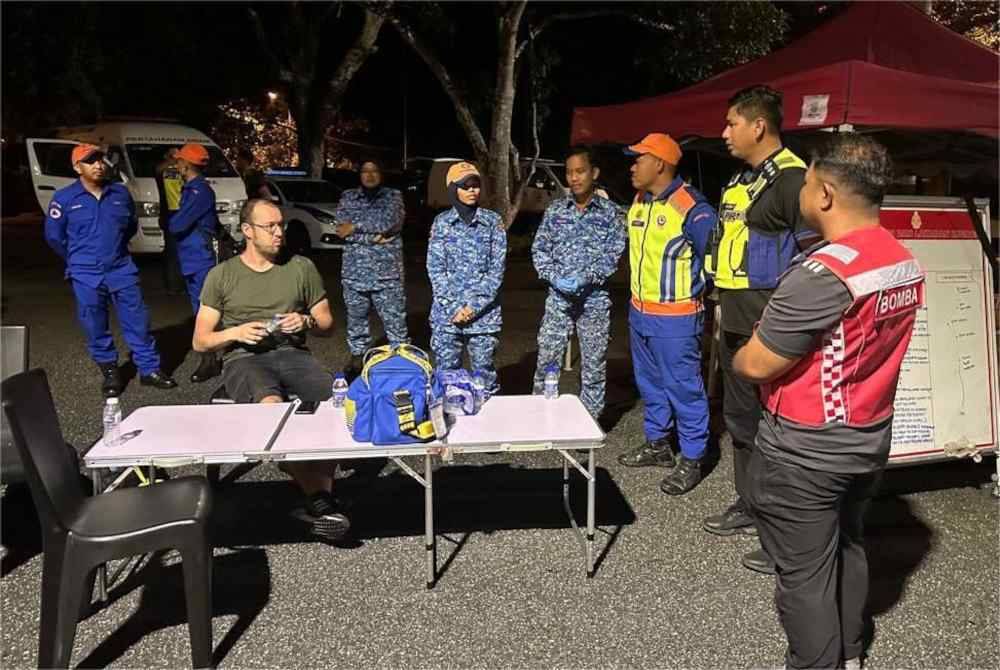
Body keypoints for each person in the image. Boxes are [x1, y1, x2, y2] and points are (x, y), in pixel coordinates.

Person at [734, 134, 921, 670]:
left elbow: (755, 363)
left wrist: (753, 341)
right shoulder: (900, 257)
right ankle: (851, 652)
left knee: (803, 577)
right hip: (866, 438)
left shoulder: (823, 273)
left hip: (804, 450)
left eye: (808, 180)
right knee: (848, 545)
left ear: (826, 193)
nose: (802, 189)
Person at [192, 198, 350, 541]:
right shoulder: (222, 275)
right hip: (243, 359)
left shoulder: (300, 267)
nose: (279, 233)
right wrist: (236, 332)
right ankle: (321, 500)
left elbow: (327, 324)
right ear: (247, 231)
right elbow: (201, 341)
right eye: (270, 227)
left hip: (294, 355)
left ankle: (316, 498)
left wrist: (305, 319)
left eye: (281, 225)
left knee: (336, 408)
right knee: (272, 409)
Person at [702, 85, 809, 573]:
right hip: (735, 317)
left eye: (731, 124)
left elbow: (812, 260)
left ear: (758, 125)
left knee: (778, 429)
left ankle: (784, 534)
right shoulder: (741, 180)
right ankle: (751, 505)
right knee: (742, 422)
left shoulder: (793, 181)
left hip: (770, 324)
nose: (724, 133)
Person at [615, 134, 717, 495]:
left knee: (684, 389)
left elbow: (713, 261)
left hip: (676, 318)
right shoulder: (639, 201)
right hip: (640, 313)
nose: (632, 165)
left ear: (659, 163)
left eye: (638, 158)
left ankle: (692, 457)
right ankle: (657, 444)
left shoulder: (692, 207)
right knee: (651, 384)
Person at [43, 143, 177, 396]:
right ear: (77, 167)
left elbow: (130, 226)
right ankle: (111, 372)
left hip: (120, 268)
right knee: (95, 323)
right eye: (90, 161)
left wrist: (115, 250)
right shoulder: (64, 199)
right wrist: (76, 259)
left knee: (138, 320)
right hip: (85, 272)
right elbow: (54, 237)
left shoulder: (120, 194)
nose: (98, 165)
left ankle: (149, 369)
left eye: (100, 159)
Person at [531, 146, 626, 422]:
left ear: (594, 173)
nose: (573, 178)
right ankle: (541, 416)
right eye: (569, 172)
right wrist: (553, 277)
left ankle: (589, 421)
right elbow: (540, 250)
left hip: (594, 300)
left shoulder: (609, 213)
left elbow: (614, 254)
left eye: (580, 171)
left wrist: (590, 277)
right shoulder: (556, 210)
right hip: (559, 300)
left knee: (593, 365)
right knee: (548, 359)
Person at [426, 162, 506, 394]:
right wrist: (454, 308)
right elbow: (435, 269)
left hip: (483, 318)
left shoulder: (492, 223)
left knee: (485, 379)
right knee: (447, 379)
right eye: (465, 185)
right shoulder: (441, 223)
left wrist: (473, 307)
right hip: (447, 318)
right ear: (453, 189)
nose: (472, 190)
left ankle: (488, 428)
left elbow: (496, 271)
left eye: (475, 185)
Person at [333, 159, 408, 375]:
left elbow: (390, 223)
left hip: (387, 274)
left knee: (395, 322)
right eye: (365, 171)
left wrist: (356, 227)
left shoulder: (393, 196)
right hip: (354, 272)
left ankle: (401, 360)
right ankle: (358, 358)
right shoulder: (348, 196)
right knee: (356, 320)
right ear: (359, 174)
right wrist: (375, 237)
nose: (370, 175)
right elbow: (340, 229)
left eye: (374, 170)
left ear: (381, 174)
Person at [169, 143, 222, 384]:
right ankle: (210, 356)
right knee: (200, 307)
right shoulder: (192, 189)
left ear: (187, 164)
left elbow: (177, 225)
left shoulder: (198, 191)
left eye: (179, 160)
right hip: (193, 257)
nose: (176, 164)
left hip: (199, 257)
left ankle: (210, 359)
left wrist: (170, 219)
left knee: (206, 309)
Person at [154, 148, 186, 295]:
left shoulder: (164, 170)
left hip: (173, 213)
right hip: (174, 213)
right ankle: (174, 285)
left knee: (174, 251)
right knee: (174, 251)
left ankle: (175, 284)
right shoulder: (167, 170)